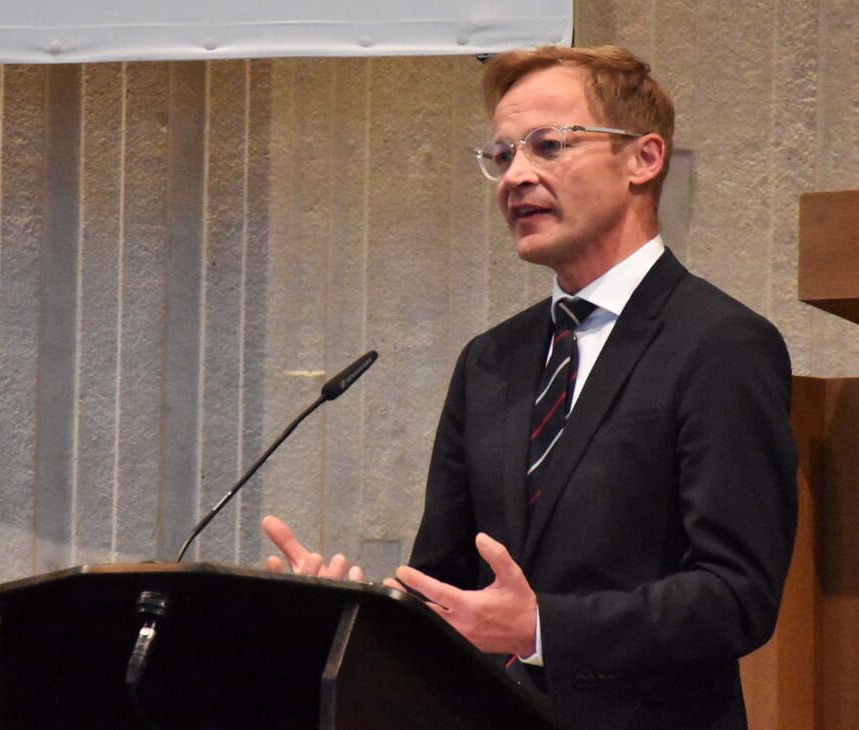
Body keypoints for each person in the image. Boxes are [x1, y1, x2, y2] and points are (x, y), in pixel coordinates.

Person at [262, 45, 797, 730]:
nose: (515, 176)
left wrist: (544, 627)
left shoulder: (720, 344)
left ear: (644, 158)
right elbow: (447, 584)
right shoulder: (490, 359)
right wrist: (357, 614)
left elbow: (736, 595)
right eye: (503, 154)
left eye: (548, 145)